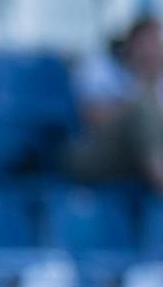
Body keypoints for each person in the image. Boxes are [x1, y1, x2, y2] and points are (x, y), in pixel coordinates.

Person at [67, 15, 163, 190]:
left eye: (156, 44)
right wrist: (137, 97)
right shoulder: (101, 69)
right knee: (143, 109)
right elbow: (94, 119)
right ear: (130, 45)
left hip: (142, 157)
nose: (151, 52)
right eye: (144, 44)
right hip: (98, 150)